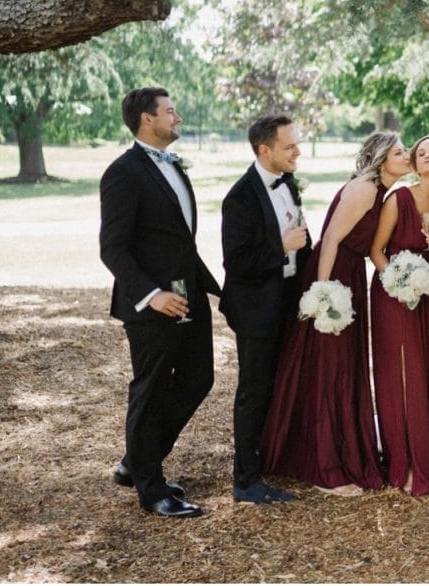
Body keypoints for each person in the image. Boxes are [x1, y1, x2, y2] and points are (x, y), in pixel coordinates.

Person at [260, 131, 411, 495]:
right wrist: (323, 292)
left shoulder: (382, 191)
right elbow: (330, 239)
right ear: (381, 159)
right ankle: (325, 466)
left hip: (351, 274)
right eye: (400, 152)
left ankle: (343, 450)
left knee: (345, 365)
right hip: (334, 275)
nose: (407, 156)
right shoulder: (363, 188)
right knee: (330, 366)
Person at [100, 87, 220, 518]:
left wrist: (218, 290)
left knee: (198, 378)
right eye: (171, 111)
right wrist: (152, 296)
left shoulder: (174, 168)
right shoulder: (123, 172)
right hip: (152, 304)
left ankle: (137, 461)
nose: (179, 118)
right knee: (149, 391)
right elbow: (113, 248)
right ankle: (151, 490)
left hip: (188, 296)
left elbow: (180, 244)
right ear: (147, 119)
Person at [219, 116, 312, 505]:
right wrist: (282, 245)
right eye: (289, 146)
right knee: (254, 392)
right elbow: (236, 262)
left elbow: (301, 238)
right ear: (264, 150)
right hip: (256, 308)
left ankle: (274, 457)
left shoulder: (288, 183)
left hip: (288, 299)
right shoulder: (238, 198)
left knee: (281, 384)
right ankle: (246, 480)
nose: (297, 152)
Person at [370, 135, 429, 496]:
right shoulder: (398, 198)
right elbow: (377, 250)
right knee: (401, 376)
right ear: (414, 164)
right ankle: (404, 464)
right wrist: (397, 282)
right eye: (420, 153)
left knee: (428, 375)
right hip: (394, 293)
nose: (427, 155)